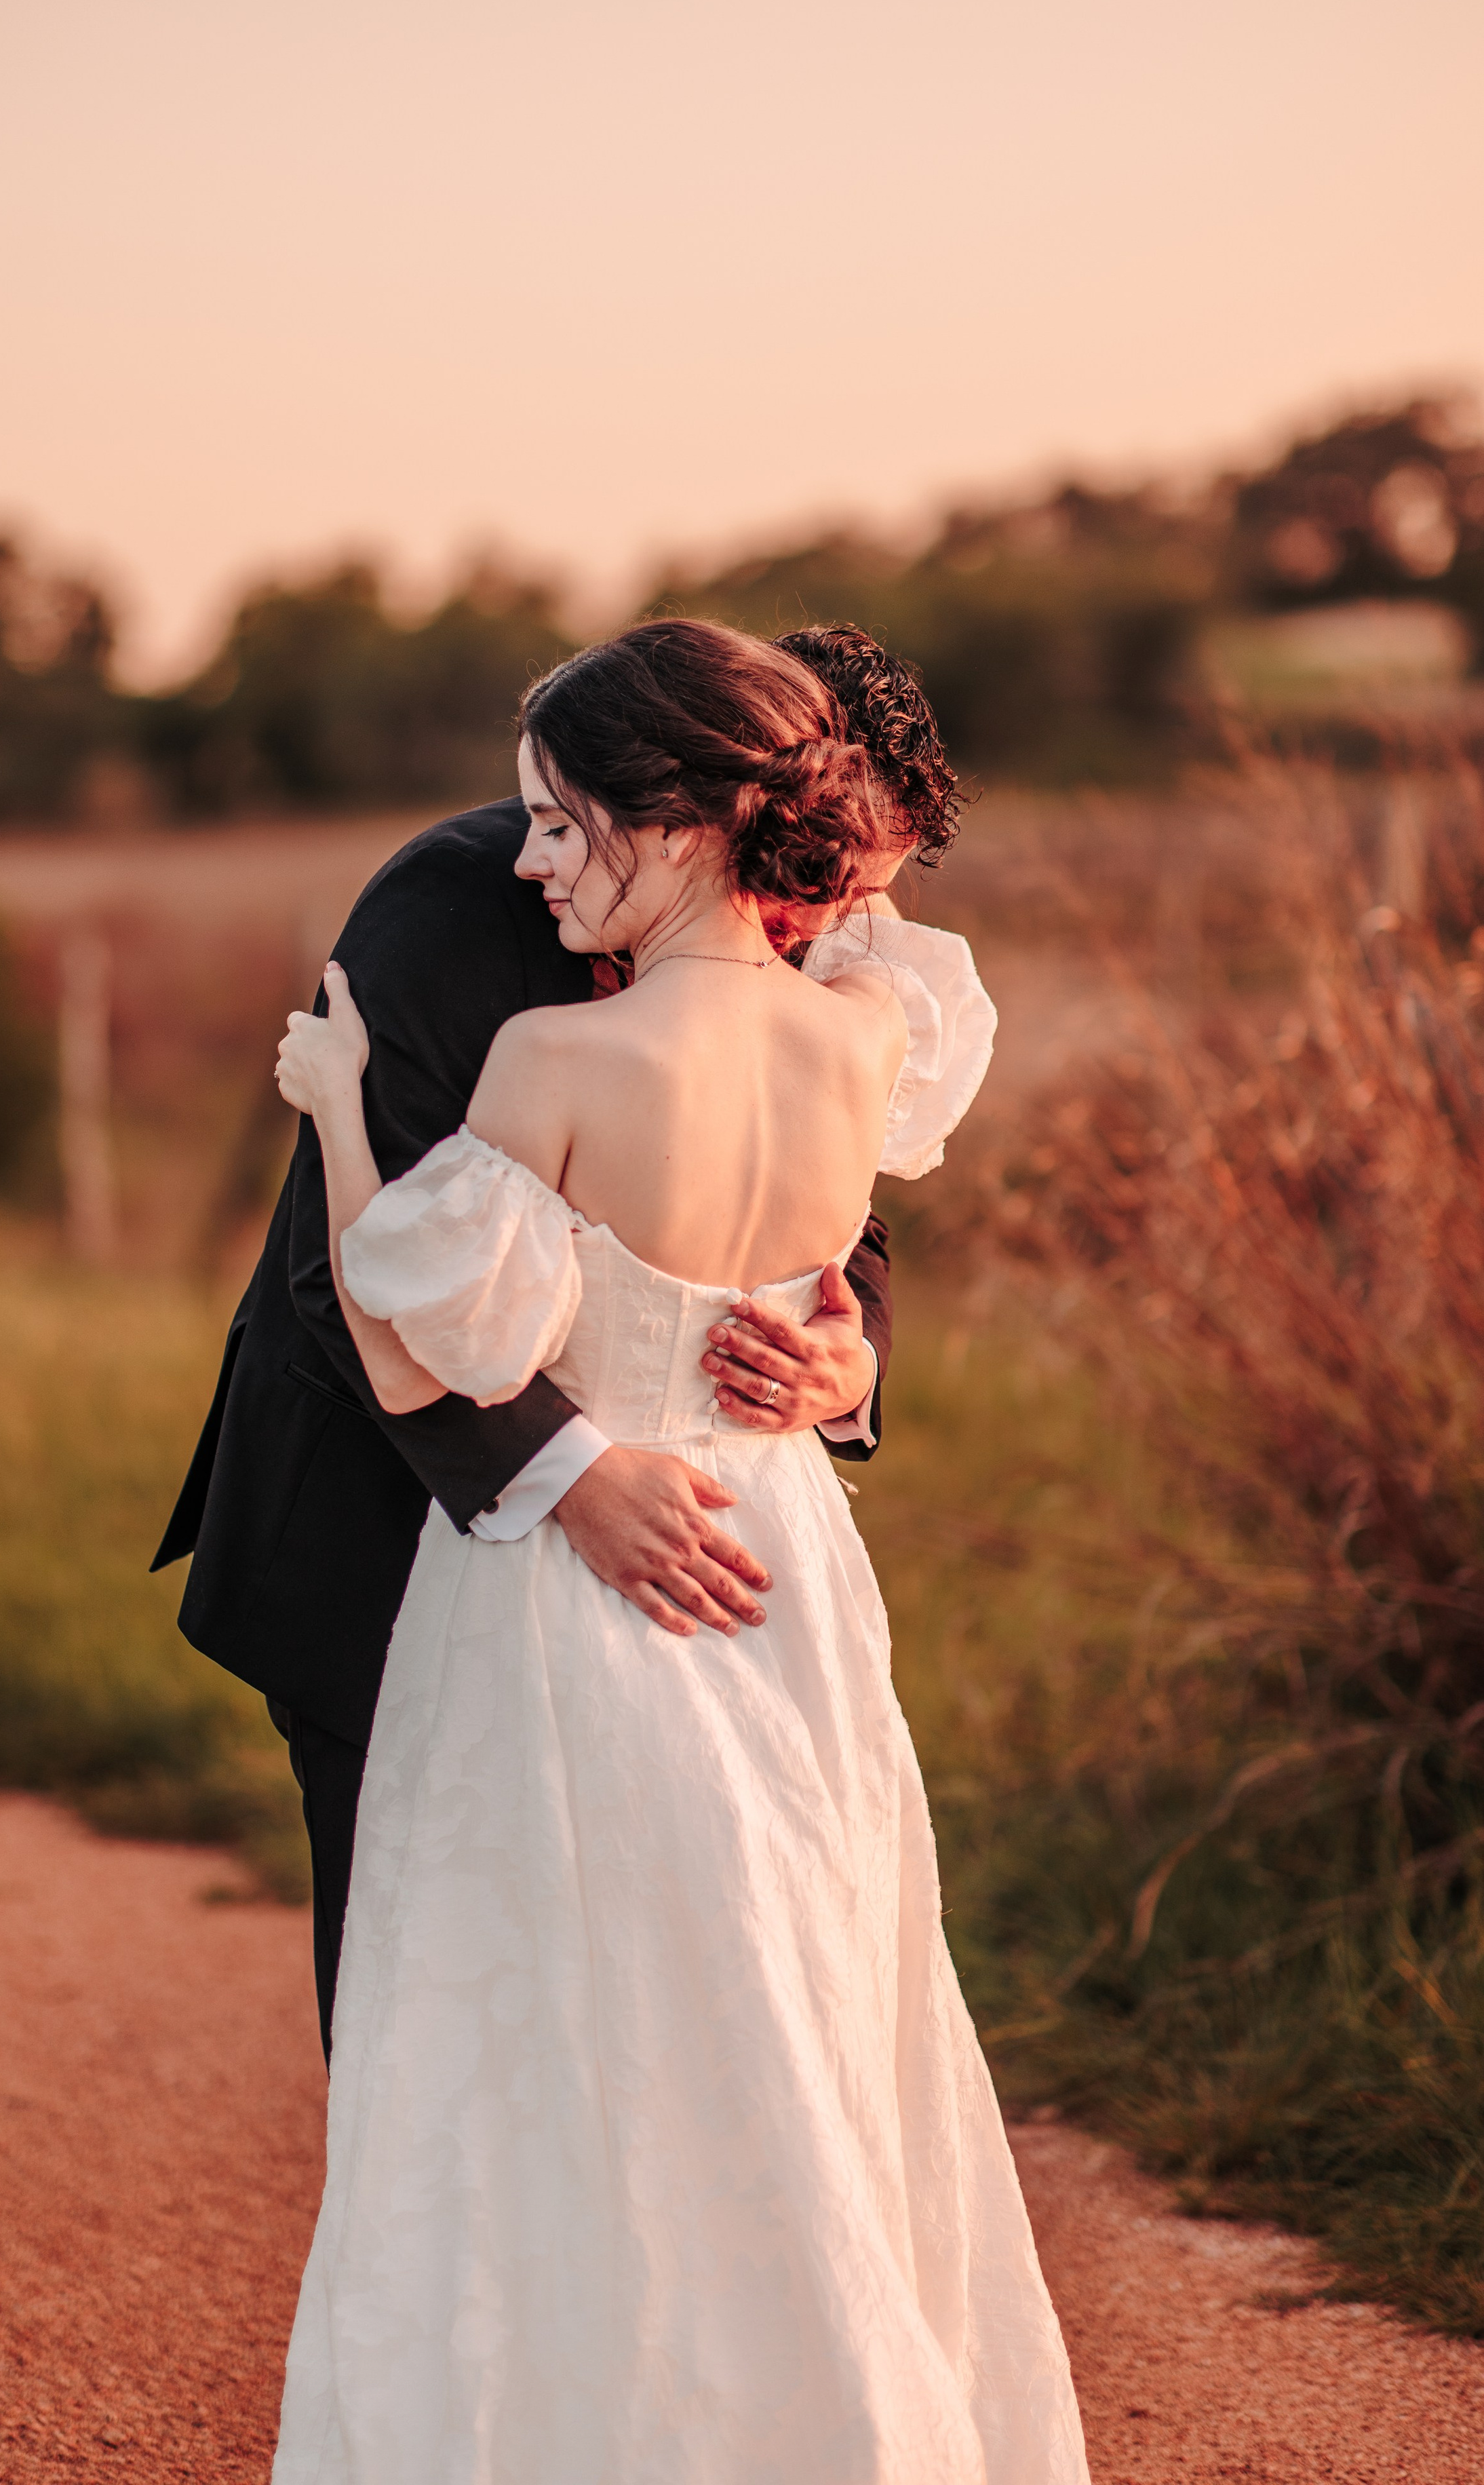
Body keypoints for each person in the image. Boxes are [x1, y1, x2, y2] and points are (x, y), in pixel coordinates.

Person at [268, 621, 1087, 2484]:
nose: (533, 860)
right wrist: (583, 1461)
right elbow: (804, 1217)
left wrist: (331, 1117)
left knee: (559, 2031)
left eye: (562, 825)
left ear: (682, 813)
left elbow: (407, 1317)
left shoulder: (563, 1050)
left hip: (572, 1609)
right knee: (770, 2000)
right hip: (751, 1556)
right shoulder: (852, 1027)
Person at [151, 662, 900, 2064]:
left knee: (727, 1986)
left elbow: (843, 1228)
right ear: (708, 802)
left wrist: (844, 1364)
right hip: (407, 1531)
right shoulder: (453, 907)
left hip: (731, 1553)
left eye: (851, 887)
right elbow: (338, 1275)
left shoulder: (781, 936)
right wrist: (571, 1475)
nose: (817, 914)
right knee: (433, 2004)